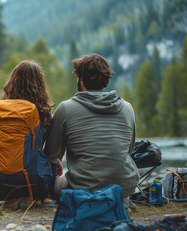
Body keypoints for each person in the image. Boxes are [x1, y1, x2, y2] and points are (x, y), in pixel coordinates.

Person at [45, 53, 140, 200]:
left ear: (81, 81)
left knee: (56, 184)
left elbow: (51, 156)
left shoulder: (66, 108)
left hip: (83, 189)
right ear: (105, 81)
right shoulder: (127, 108)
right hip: (124, 187)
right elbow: (128, 149)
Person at [0, 60, 54, 204]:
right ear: (40, 84)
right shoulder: (45, 113)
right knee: (50, 158)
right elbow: (49, 150)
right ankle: (45, 196)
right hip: (33, 186)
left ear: (12, 81)